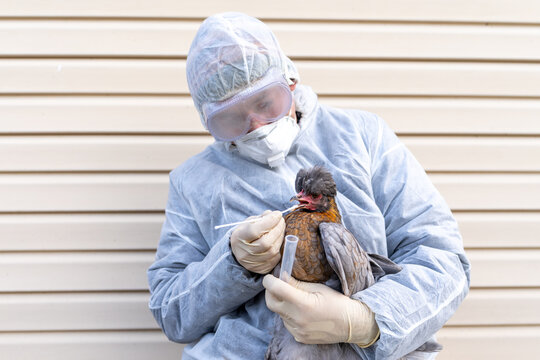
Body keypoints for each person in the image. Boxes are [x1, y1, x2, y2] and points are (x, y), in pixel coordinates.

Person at [147, 12, 471, 360]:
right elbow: (171, 312)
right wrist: (231, 263)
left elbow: (443, 259)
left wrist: (365, 321)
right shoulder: (193, 181)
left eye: (265, 102)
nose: (255, 126)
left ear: (289, 80)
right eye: (230, 118)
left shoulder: (362, 137)